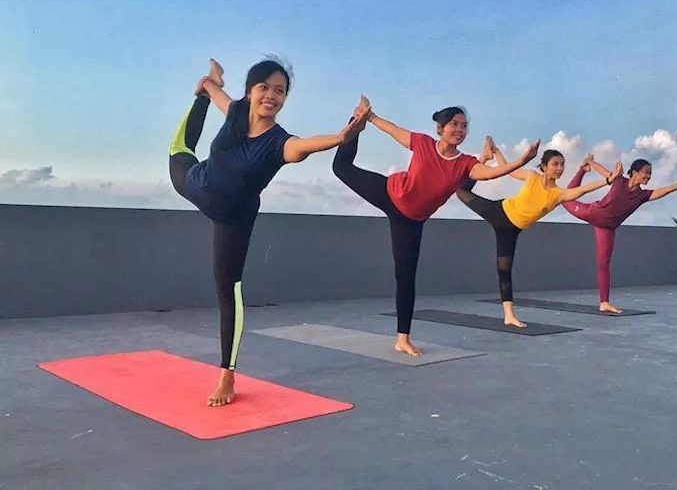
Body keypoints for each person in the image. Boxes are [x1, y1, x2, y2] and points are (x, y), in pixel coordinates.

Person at [168, 58, 368, 406]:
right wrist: (211, 87)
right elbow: (224, 101)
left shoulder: (279, 142)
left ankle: (227, 376)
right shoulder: (237, 111)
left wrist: (341, 137)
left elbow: (302, 145)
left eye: (280, 91)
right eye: (264, 88)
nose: (271, 96)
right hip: (194, 183)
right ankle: (203, 84)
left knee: (228, 290)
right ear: (251, 91)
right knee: (179, 150)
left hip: (233, 218)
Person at [332, 100, 539, 356]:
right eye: (454, 124)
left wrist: (521, 160)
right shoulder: (422, 143)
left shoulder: (465, 163)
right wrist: (368, 117)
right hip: (389, 193)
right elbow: (394, 129)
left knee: (405, 277)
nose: (460, 130)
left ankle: (402, 339)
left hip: (411, 221)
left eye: (464, 126)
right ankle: (354, 125)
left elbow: (491, 173)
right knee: (340, 167)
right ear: (440, 128)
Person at [456, 136, 623, 327]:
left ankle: (509, 316)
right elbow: (508, 169)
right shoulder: (531, 177)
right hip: (498, 211)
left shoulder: (559, 194)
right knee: (460, 191)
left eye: (562, 165)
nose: (560, 168)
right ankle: (482, 158)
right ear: (544, 166)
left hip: (511, 230)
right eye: (555, 164)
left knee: (504, 271)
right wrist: (495, 153)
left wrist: (608, 180)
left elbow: (583, 190)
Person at [563, 153, 677, 313]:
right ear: (635, 172)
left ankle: (604, 302)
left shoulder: (643, 196)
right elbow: (602, 171)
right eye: (646, 172)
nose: (649, 176)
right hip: (592, 213)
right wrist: (589, 162)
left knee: (603, 264)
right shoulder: (618, 180)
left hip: (607, 229)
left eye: (650, 173)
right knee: (566, 197)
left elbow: (669, 189)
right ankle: (582, 170)